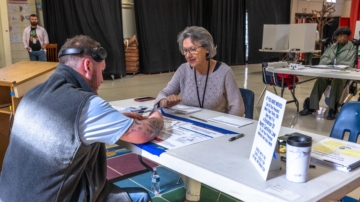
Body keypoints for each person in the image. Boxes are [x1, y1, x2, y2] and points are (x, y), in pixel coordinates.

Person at [0, 35, 164, 201]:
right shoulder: (86, 104)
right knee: (141, 197)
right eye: (102, 70)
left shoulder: (32, 95)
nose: (101, 79)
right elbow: (142, 134)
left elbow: (64, 124)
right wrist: (157, 114)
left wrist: (114, 118)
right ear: (88, 66)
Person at [155, 26, 244, 202]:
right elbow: (162, 94)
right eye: (185, 50)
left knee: (193, 152)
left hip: (218, 133)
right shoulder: (183, 70)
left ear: (207, 48)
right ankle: (193, 193)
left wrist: (225, 131)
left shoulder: (224, 71)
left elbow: (238, 108)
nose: (189, 55)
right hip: (192, 129)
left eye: (193, 49)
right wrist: (165, 102)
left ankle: (192, 198)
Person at [299, 27, 357, 120]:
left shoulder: (352, 48)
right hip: (329, 73)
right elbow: (324, 59)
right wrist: (330, 70)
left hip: (342, 75)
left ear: (348, 37)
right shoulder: (332, 47)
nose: (343, 38)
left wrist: (335, 73)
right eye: (340, 36)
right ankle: (311, 107)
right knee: (319, 81)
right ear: (337, 37)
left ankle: (332, 109)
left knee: (337, 81)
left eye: (345, 36)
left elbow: (349, 63)